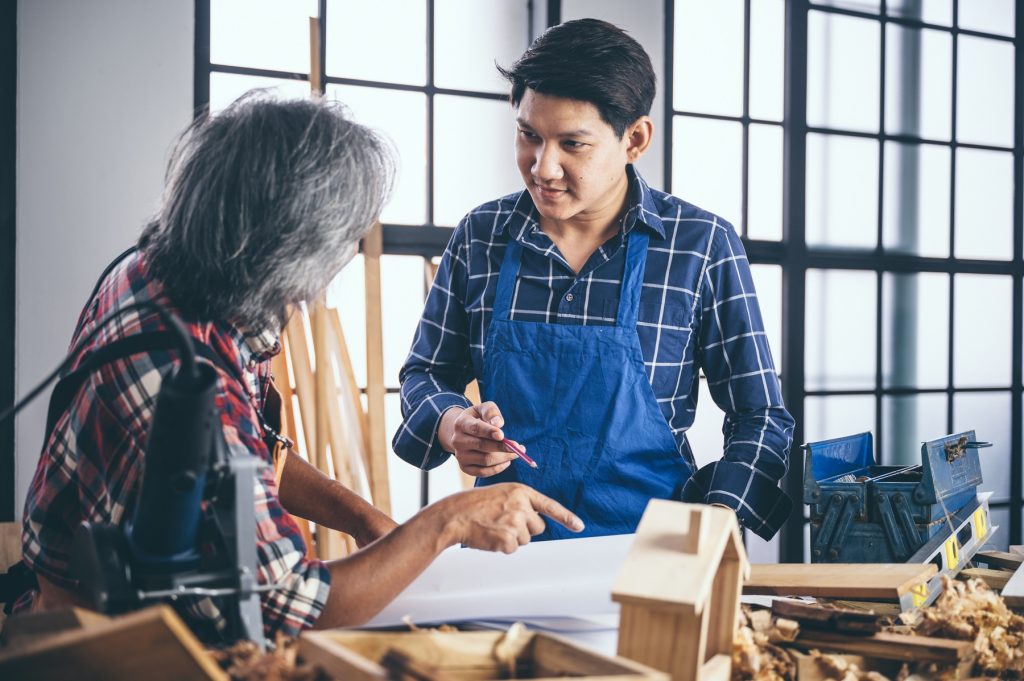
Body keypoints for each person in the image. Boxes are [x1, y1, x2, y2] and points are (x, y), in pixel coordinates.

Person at [17, 93, 583, 639]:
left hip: (113, 594)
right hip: (104, 641)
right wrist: (447, 523)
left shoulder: (158, 273)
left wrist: (364, 519)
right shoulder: (189, 377)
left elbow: (255, 451)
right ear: (291, 247)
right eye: (343, 241)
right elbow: (289, 607)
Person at [393, 19, 794, 542]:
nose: (543, 167)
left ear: (635, 139)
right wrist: (451, 424)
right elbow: (426, 372)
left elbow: (760, 415)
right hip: (508, 548)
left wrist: (714, 524)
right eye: (528, 135)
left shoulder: (699, 245)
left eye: (572, 144)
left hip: (655, 553)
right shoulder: (481, 236)